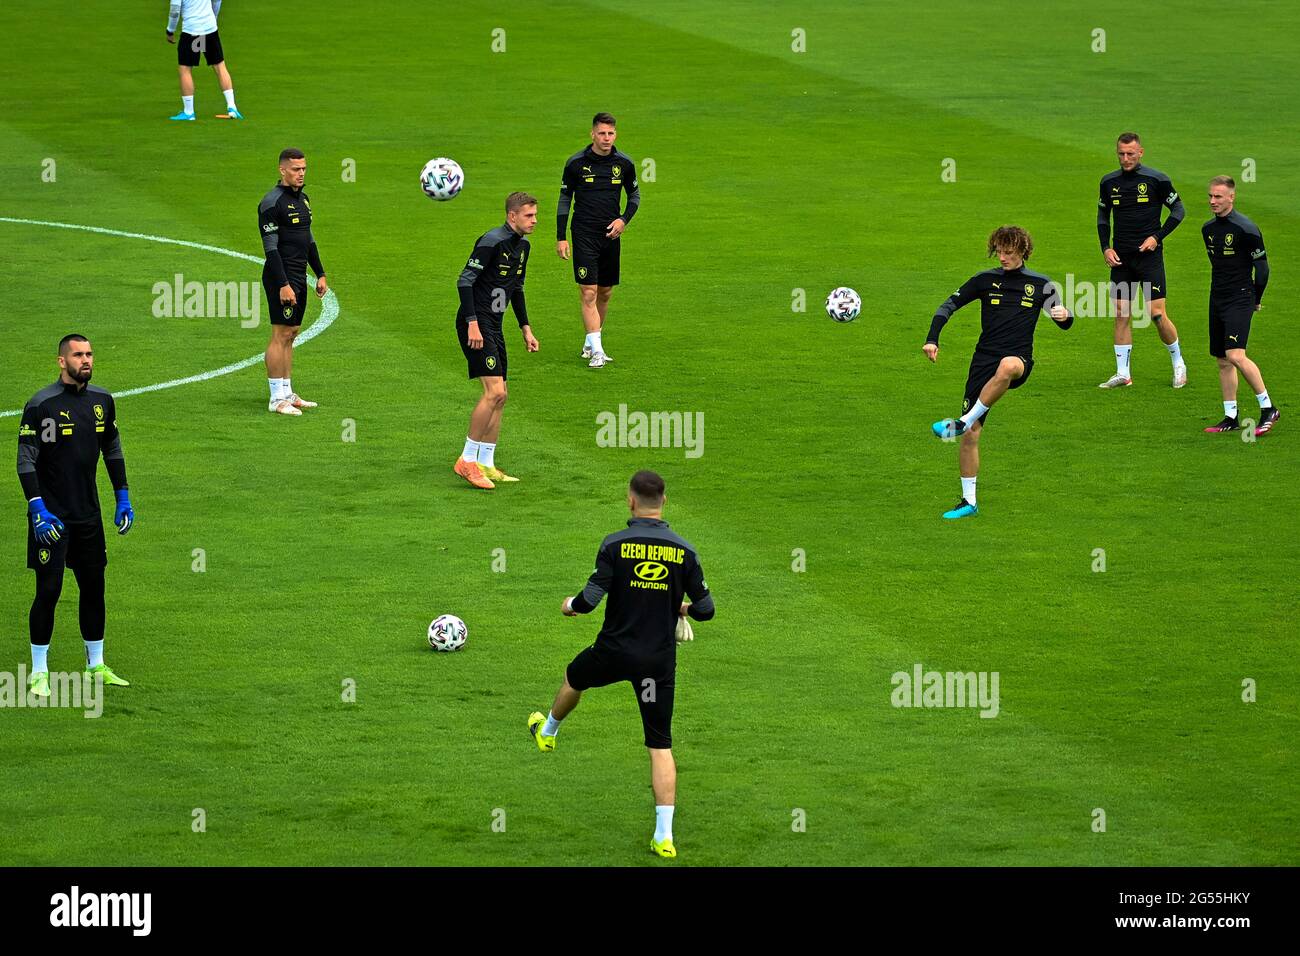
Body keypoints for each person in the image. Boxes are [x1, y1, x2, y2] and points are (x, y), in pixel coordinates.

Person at [528, 470, 715, 859]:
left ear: (630, 501)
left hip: (613, 653)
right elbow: (706, 610)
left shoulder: (615, 545)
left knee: (573, 677)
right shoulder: (685, 551)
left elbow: (590, 600)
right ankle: (664, 836)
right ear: (664, 501)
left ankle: (548, 732)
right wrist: (681, 607)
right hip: (656, 664)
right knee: (659, 745)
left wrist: (569, 607)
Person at [924, 226, 1073, 519]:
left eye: (1008, 252)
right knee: (971, 437)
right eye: (999, 252)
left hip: (1019, 361)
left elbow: (1065, 322)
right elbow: (948, 305)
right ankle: (969, 502)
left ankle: (963, 421)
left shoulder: (1042, 285)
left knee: (1008, 365)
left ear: (1022, 251)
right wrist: (932, 338)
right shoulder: (985, 280)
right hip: (983, 361)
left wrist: (1064, 315)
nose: (1002, 257)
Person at [17, 335, 134, 698]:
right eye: (78, 355)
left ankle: (95, 665)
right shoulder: (41, 405)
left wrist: (123, 497)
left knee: (94, 588)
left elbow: (112, 449)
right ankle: (38, 672)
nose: (86, 360)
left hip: (88, 515)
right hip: (51, 517)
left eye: (89, 354)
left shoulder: (102, 401)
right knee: (49, 589)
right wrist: (37, 509)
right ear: (61, 361)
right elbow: (26, 460)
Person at [453, 192, 541, 489]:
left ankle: (486, 463)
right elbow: (464, 281)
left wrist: (525, 328)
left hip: (495, 323)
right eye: (528, 216)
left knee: (502, 395)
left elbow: (516, 288)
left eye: (535, 215)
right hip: (477, 322)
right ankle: (466, 460)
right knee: (493, 392)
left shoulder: (523, 247)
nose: (534, 221)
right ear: (511, 215)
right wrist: (472, 324)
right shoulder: (491, 242)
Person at [1097, 132, 1187, 388]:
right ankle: (1123, 373)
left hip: (1149, 258)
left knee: (1156, 314)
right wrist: (1105, 248)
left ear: (1141, 152)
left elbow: (1179, 210)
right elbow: (1103, 218)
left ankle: (1179, 363)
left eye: (1130, 154)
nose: (1125, 159)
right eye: (1121, 154)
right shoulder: (1108, 182)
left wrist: (1157, 237)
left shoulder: (1156, 179)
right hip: (1121, 260)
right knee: (1121, 312)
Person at [556, 112, 640, 368]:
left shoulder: (624, 164)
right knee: (588, 291)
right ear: (592, 134)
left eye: (611, 133)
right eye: (602, 133)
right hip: (583, 234)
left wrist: (623, 220)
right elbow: (564, 201)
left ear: (615, 134)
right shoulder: (576, 164)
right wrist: (561, 237)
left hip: (611, 235)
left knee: (605, 292)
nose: (606, 138)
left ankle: (591, 341)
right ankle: (597, 352)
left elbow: (635, 196)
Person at [1201, 176, 1278, 436]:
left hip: (1240, 297)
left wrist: (1255, 298)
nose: (1213, 201)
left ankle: (1268, 408)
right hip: (1217, 297)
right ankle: (1231, 416)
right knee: (1222, 359)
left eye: (1218, 196)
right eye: (1211, 196)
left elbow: (1263, 269)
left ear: (1231, 197)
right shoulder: (1207, 230)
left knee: (1235, 354)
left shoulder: (1247, 229)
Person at [259, 148, 328, 415]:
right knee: (280, 334)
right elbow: (271, 249)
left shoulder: (304, 200)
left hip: (300, 275)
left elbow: (308, 239)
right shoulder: (271, 203)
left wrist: (320, 273)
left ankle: (287, 392)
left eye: (304, 169)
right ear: (282, 170)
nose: (301, 174)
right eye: (296, 169)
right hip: (281, 276)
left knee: (292, 333)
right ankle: (276, 399)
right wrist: (283, 284)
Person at [166, 0, 243, 120]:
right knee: (219, 66)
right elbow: (217, 1)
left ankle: (189, 112)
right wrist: (214, 17)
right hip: (209, 29)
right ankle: (232, 107)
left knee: (185, 69)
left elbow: (175, 9)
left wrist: (170, 30)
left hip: (192, 31)